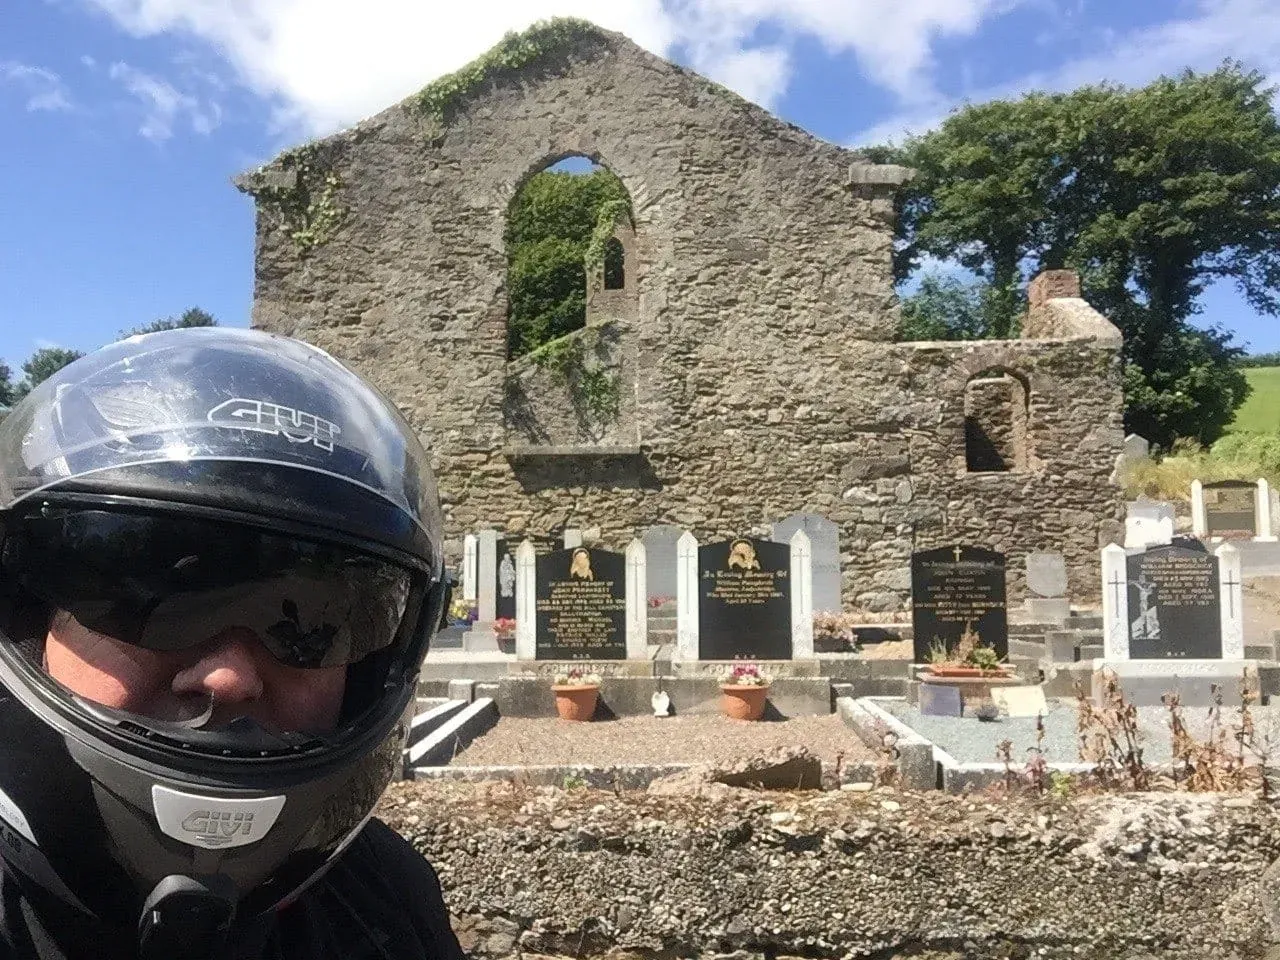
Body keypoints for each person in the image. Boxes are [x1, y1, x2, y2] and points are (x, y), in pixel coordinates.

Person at [0, 328, 466, 960]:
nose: (229, 678)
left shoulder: (382, 901)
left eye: (313, 627)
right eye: (148, 599)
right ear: (25, 612)